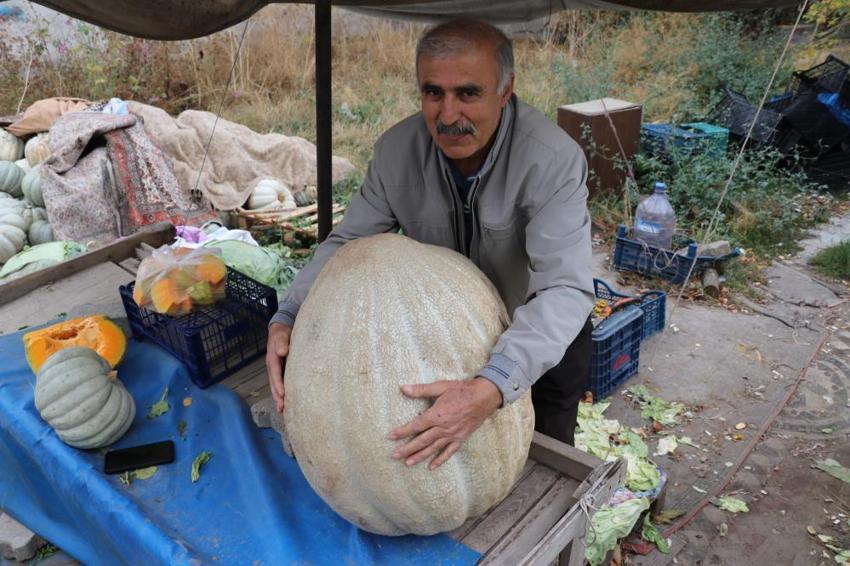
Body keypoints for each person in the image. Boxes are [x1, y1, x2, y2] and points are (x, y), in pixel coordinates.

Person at [266, 19, 594, 471]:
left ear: (505, 90)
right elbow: (346, 242)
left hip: (542, 334)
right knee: (467, 468)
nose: (447, 115)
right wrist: (288, 315)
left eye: (468, 93)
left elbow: (565, 288)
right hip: (451, 334)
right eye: (433, 92)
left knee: (545, 471)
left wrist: (494, 384)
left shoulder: (551, 160)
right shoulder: (396, 153)